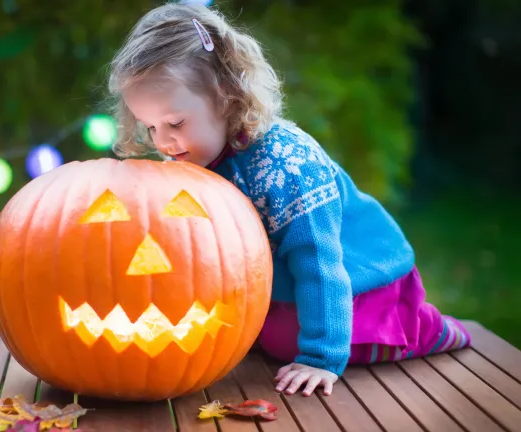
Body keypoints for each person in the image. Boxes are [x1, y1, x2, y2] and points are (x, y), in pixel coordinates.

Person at [105, 2, 472, 397]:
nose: (163, 142)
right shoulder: (197, 155)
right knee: (262, 335)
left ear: (225, 94)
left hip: (358, 281)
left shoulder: (286, 167)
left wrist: (320, 358)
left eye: (175, 123)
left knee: (284, 341)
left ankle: (428, 329)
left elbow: (320, 263)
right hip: (284, 287)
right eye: (151, 127)